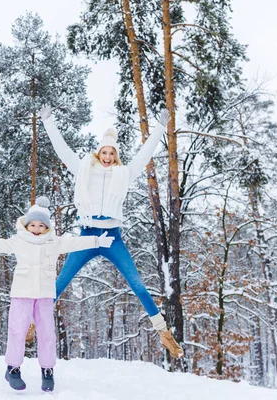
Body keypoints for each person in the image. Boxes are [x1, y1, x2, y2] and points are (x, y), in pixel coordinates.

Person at [39, 105, 184, 359]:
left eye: (111, 153)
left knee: (137, 284)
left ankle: (164, 333)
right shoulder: (84, 169)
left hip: (112, 238)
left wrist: (160, 128)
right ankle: (34, 323)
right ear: (99, 152)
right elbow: (62, 150)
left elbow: (144, 154)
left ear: (116, 155)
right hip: (86, 236)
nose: (107, 156)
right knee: (60, 282)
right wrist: (49, 122)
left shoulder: (123, 174)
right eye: (104, 152)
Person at [0, 196, 114, 392]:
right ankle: (12, 368)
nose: (37, 229)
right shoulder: (18, 241)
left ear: (47, 227)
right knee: (17, 331)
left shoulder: (54, 242)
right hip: (22, 293)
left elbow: (75, 243)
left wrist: (97, 240)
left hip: (45, 295)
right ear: (27, 224)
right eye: (33, 224)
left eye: (41, 225)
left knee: (47, 333)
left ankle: (47, 370)